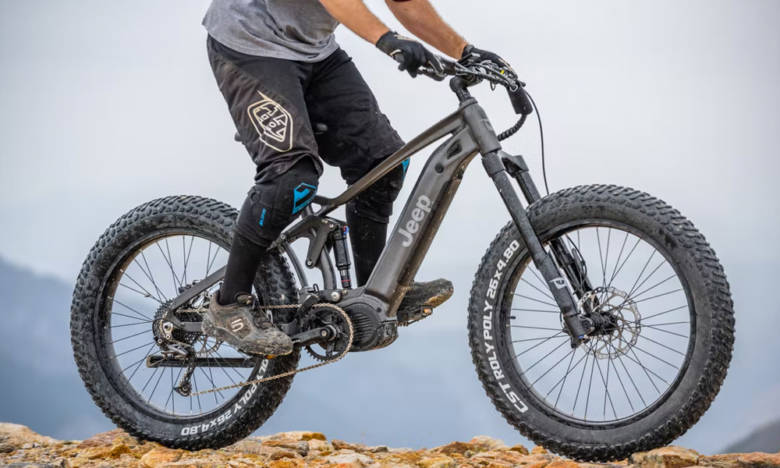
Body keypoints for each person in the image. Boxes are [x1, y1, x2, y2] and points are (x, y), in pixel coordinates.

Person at [200, 0, 512, 356]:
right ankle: (227, 305)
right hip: (249, 43)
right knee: (292, 179)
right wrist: (387, 39)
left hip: (314, 51)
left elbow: (405, 3)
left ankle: (375, 292)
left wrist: (464, 51)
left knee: (383, 164)